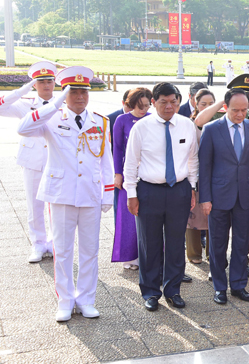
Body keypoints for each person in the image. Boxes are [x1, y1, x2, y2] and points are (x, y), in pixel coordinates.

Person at [18, 66, 114, 322]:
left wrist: (107, 196)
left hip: (90, 194)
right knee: (62, 251)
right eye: (74, 92)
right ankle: (65, 300)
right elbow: (23, 128)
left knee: (90, 250)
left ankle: (86, 300)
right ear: (64, 93)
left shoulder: (100, 121)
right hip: (61, 194)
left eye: (84, 91)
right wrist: (54, 104)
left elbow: (106, 161)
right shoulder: (51, 118)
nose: (81, 97)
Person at [124, 82, 199, 312]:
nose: (169, 106)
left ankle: (173, 290)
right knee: (149, 243)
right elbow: (130, 162)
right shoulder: (142, 127)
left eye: (173, 102)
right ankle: (150, 292)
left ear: (179, 101)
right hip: (149, 190)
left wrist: (193, 188)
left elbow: (193, 159)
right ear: (153, 102)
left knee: (176, 243)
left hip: (179, 190)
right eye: (164, 102)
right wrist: (131, 193)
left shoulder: (186, 125)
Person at [199, 88, 249, 304]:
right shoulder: (211, 129)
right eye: (236, 110)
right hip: (218, 196)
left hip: (245, 195)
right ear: (226, 107)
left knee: (241, 243)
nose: (240, 114)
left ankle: (238, 285)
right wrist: (205, 198)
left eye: (244, 110)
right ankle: (219, 287)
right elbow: (205, 166)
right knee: (217, 243)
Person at [0, 61, 57, 263]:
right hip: (32, 159)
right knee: (35, 204)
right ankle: (38, 243)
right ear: (34, 84)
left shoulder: (64, 103)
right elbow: (1, 106)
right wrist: (19, 91)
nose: (46, 85)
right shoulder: (25, 103)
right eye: (41, 82)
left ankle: (54, 242)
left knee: (57, 205)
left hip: (57, 161)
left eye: (49, 81)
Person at [112, 88, 152, 270]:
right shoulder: (122, 120)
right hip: (129, 173)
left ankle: (150, 253)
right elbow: (118, 148)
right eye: (139, 106)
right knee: (128, 216)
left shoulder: (152, 119)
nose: (144, 109)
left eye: (147, 105)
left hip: (149, 172)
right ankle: (130, 256)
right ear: (131, 104)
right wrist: (117, 173)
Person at [186, 89, 216, 264]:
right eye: (203, 104)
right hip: (195, 176)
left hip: (214, 176)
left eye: (211, 104)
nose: (207, 107)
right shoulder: (191, 123)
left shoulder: (220, 123)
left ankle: (212, 253)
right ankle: (194, 253)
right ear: (196, 104)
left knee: (213, 216)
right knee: (193, 216)